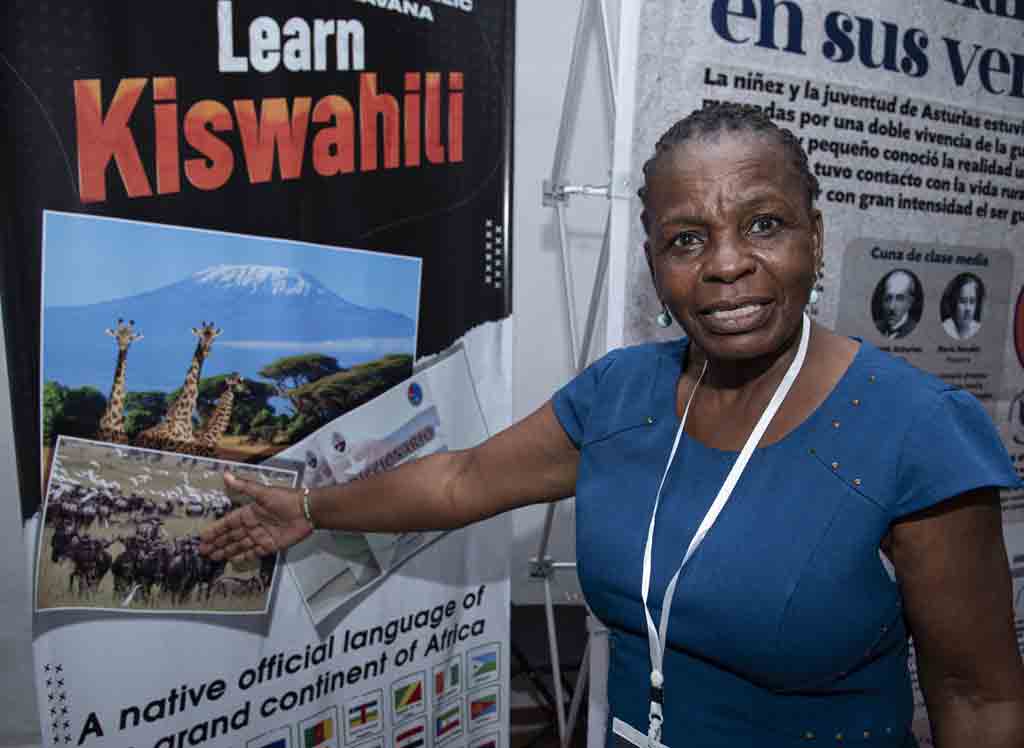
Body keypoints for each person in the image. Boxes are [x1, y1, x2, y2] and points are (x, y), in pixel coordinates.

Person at [200, 104, 1024, 747]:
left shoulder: (913, 429)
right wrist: (306, 509)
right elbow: (460, 480)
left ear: (816, 235)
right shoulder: (621, 394)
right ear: (655, 260)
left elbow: (977, 697)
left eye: (764, 224)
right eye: (686, 239)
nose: (727, 264)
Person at [872, 269, 923, 339]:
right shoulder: (875, 327)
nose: (892, 307)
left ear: (910, 303)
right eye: (888, 298)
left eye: (900, 299)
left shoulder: (916, 331)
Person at [941, 273, 984, 341]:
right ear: (953, 303)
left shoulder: (978, 328)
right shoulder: (946, 327)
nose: (968, 308)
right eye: (963, 301)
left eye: (972, 302)